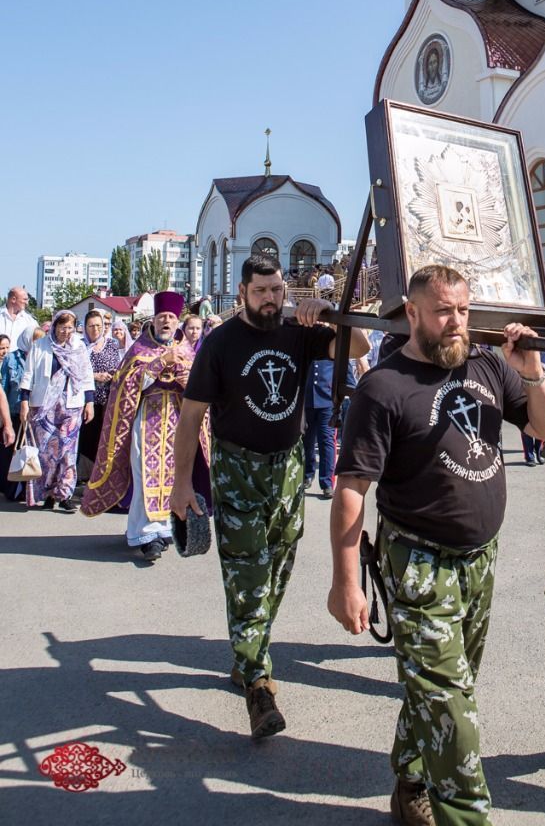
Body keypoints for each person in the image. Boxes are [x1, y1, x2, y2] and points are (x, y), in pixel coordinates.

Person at [328, 264, 545, 826]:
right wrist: (345, 583)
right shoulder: (383, 387)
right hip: (418, 562)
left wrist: (533, 374)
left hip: (479, 561)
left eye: (463, 310)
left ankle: (410, 780)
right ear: (412, 314)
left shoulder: (488, 366)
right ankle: (463, 812)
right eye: (442, 312)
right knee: (453, 711)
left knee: (444, 689)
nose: (457, 322)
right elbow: (351, 490)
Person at [170, 253, 369, 741]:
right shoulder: (220, 343)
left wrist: (328, 313)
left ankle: (248, 651)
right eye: (260, 291)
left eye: (276, 290)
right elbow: (192, 415)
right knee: (249, 576)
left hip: (288, 471)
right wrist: (181, 483)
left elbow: (361, 345)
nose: (270, 299)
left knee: (278, 569)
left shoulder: (299, 332)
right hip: (237, 471)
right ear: (242, 293)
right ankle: (258, 684)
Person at [82, 291, 208, 561]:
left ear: (177, 321)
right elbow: (124, 382)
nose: (166, 321)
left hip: (178, 419)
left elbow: (199, 386)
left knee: (174, 475)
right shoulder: (139, 348)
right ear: (153, 320)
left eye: (171, 317)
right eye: (162, 317)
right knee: (144, 475)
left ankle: (165, 528)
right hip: (147, 419)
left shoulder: (186, 350)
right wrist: (160, 364)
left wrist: (184, 378)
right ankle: (145, 534)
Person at [19, 310, 95, 512]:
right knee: (46, 452)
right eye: (62, 327)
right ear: (54, 326)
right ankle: (47, 493)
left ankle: (64, 493)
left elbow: (87, 375)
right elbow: (28, 375)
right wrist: (24, 401)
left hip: (72, 404)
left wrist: (89, 402)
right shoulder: (40, 345)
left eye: (70, 327)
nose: (66, 332)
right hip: (44, 405)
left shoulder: (79, 347)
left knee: (67, 450)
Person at [302, 355, 358, 498]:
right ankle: (307, 475)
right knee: (307, 442)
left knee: (326, 442)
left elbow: (348, 377)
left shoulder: (335, 352)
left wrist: (354, 396)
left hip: (328, 404)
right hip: (306, 402)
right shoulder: (307, 348)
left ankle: (327, 482)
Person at [78, 310, 124, 475]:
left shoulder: (111, 344)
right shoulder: (80, 346)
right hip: (85, 400)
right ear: (85, 327)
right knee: (86, 437)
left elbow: (119, 365)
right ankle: (84, 473)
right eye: (91, 326)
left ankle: (100, 473)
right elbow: (75, 370)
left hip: (107, 399)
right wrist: (95, 376)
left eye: (98, 325)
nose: (95, 329)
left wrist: (112, 375)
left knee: (103, 437)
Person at [0, 334, 26, 497]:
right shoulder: (11, 361)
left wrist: (7, 424)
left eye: (6, 347)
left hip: (15, 414)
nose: (4, 351)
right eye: (1, 348)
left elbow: (1, 395)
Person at [0, 286, 37, 355]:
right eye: (25, 299)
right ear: (13, 299)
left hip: (20, 361)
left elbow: (38, 341)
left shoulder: (30, 321)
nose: (27, 303)